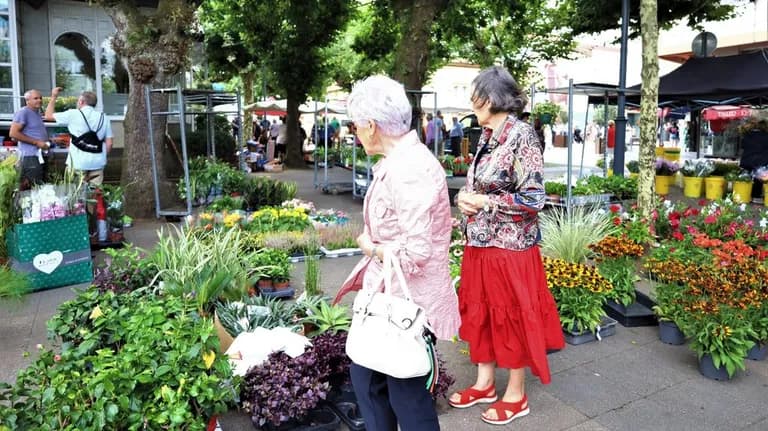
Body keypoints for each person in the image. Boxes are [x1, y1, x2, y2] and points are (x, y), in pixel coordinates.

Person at [333, 75, 460, 431]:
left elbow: (416, 251)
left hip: (404, 306)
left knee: (403, 395)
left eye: (356, 125)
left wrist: (369, 246)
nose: (355, 133)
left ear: (371, 126)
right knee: (375, 385)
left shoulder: (409, 169)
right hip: (394, 298)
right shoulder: (404, 160)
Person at [450, 66, 565, 426]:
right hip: (480, 241)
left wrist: (485, 204)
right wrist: (464, 199)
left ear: (493, 98)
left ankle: (515, 394)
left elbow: (534, 198)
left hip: (510, 247)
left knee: (510, 315)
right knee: (481, 311)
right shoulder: (487, 133)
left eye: (477, 95)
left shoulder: (522, 135)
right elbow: (480, 187)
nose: (472, 102)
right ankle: (485, 384)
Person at [44, 88, 113, 185]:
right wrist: (101, 157)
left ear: (81, 101)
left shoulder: (73, 114)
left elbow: (48, 116)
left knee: (75, 194)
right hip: (98, 162)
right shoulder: (104, 117)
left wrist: (54, 97)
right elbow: (109, 144)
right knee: (94, 194)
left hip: (77, 163)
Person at [10, 89, 51, 190]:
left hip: (40, 155)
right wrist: (36, 142)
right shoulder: (23, 112)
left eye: (40, 98)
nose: (39, 100)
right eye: (35, 98)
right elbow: (13, 134)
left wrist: (52, 140)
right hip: (30, 156)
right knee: (34, 188)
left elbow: (34, 133)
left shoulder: (36, 113)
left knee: (41, 186)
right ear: (27, 100)